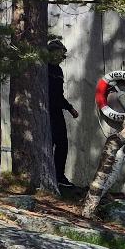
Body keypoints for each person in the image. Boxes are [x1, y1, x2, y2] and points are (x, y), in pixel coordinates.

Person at [45, 38, 79, 187]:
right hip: (45, 111)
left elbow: (59, 94)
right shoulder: (43, 68)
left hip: (57, 111)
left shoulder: (58, 71)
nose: (61, 58)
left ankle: (59, 175)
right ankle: (47, 174)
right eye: (60, 55)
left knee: (62, 144)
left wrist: (70, 108)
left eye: (63, 56)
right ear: (51, 53)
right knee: (48, 143)